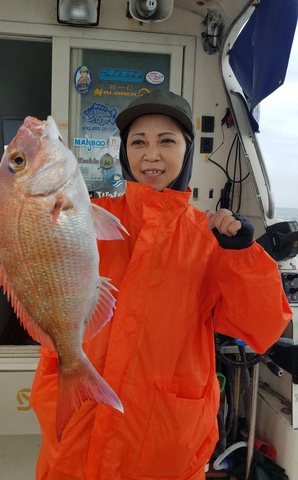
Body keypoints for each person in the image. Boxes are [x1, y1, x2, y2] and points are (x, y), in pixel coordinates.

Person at [32, 90, 292, 480]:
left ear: (188, 149)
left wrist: (241, 254)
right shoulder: (86, 217)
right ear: (125, 153)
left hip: (164, 443)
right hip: (76, 428)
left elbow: (261, 328)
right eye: (139, 142)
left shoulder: (210, 237)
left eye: (166, 141)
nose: (151, 154)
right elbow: (22, 255)